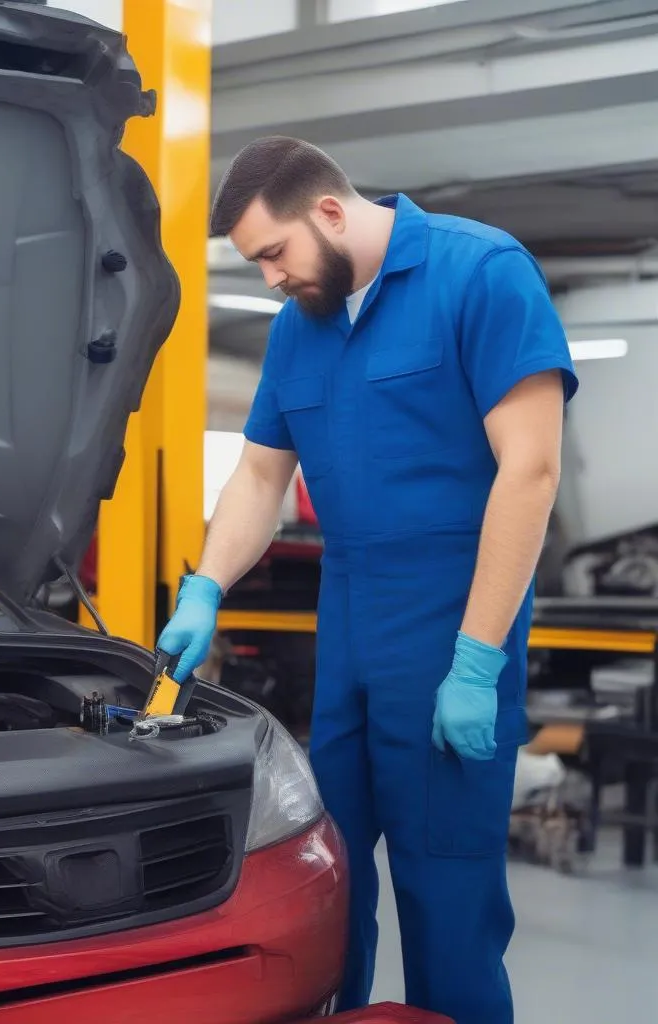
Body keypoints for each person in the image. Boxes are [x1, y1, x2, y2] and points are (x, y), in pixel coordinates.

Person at [157, 137, 578, 1024]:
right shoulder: (298, 329)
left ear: (332, 213)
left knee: (448, 905)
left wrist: (475, 663)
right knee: (323, 886)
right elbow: (262, 475)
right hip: (345, 630)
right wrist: (206, 585)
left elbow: (530, 472)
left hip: (453, 625)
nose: (269, 278)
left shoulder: (484, 274)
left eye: (273, 253)